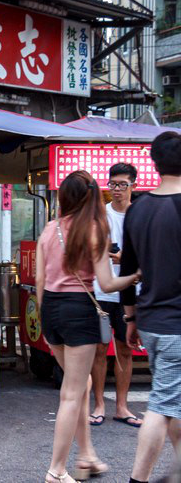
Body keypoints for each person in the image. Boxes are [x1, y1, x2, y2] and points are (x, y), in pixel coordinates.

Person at [35, 170, 139, 483]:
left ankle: (87, 457)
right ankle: (56, 470)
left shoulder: (49, 229)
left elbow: (40, 280)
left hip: (51, 310)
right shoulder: (94, 230)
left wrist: (46, 317)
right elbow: (107, 282)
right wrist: (136, 276)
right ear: (90, 197)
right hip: (79, 310)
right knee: (72, 393)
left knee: (77, 391)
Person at [121, 132, 181, 483]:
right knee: (161, 406)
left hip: (151, 320)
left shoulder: (138, 209)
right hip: (177, 324)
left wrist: (130, 318)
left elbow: (128, 269)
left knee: (173, 399)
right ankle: (138, 479)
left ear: (154, 164)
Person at [89, 163, 142, 429]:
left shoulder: (141, 214)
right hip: (101, 289)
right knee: (99, 348)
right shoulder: (101, 215)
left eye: (122, 184)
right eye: (112, 184)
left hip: (131, 291)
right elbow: (92, 248)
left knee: (125, 348)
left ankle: (121, 406)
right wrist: (112, 256)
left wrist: (129, 259)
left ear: (134, 184)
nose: (117, 190)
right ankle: (99, 404)